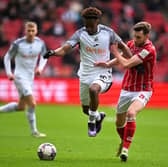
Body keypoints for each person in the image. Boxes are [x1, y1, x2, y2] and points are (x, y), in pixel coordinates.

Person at [43, 7, 132, 137]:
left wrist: (119, 62)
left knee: (93, 89)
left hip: (103, 73)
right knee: (86, 109)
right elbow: (65, 49)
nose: (87, 28)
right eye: (85, 24)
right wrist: (53, 52)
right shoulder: (80, 33)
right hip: (85, 74)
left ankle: (91, 123)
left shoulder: (108, 33)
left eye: (90, 25)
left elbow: (125, 49)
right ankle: (98, 116)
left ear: (97, 21)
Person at [95, 21, 157, 161]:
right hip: (126, 88)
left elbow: (126, 63)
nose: (135, 40)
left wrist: (115, 51)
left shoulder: (149, 49)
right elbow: (121, 59)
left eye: (139, 37)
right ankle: (124, 141)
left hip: (143, 89)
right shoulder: (131, 44)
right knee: (119, 123)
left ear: (147, 36)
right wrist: (107, 64)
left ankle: (125, 150)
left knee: (131, 112)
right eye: (134, 36)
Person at [0, 21, 47, 138]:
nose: (31, 33)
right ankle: (34, 132)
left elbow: (45, 56)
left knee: (21, 107)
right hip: (20, 76)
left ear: (36, 31)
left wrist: (40, 68)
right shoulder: (18, 44)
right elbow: (7, 57)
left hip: (30, 77)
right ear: (25, 31)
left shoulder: (40, 43)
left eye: (33, 30)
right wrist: (9, 73)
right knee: (32, 103)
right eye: (28, 31)